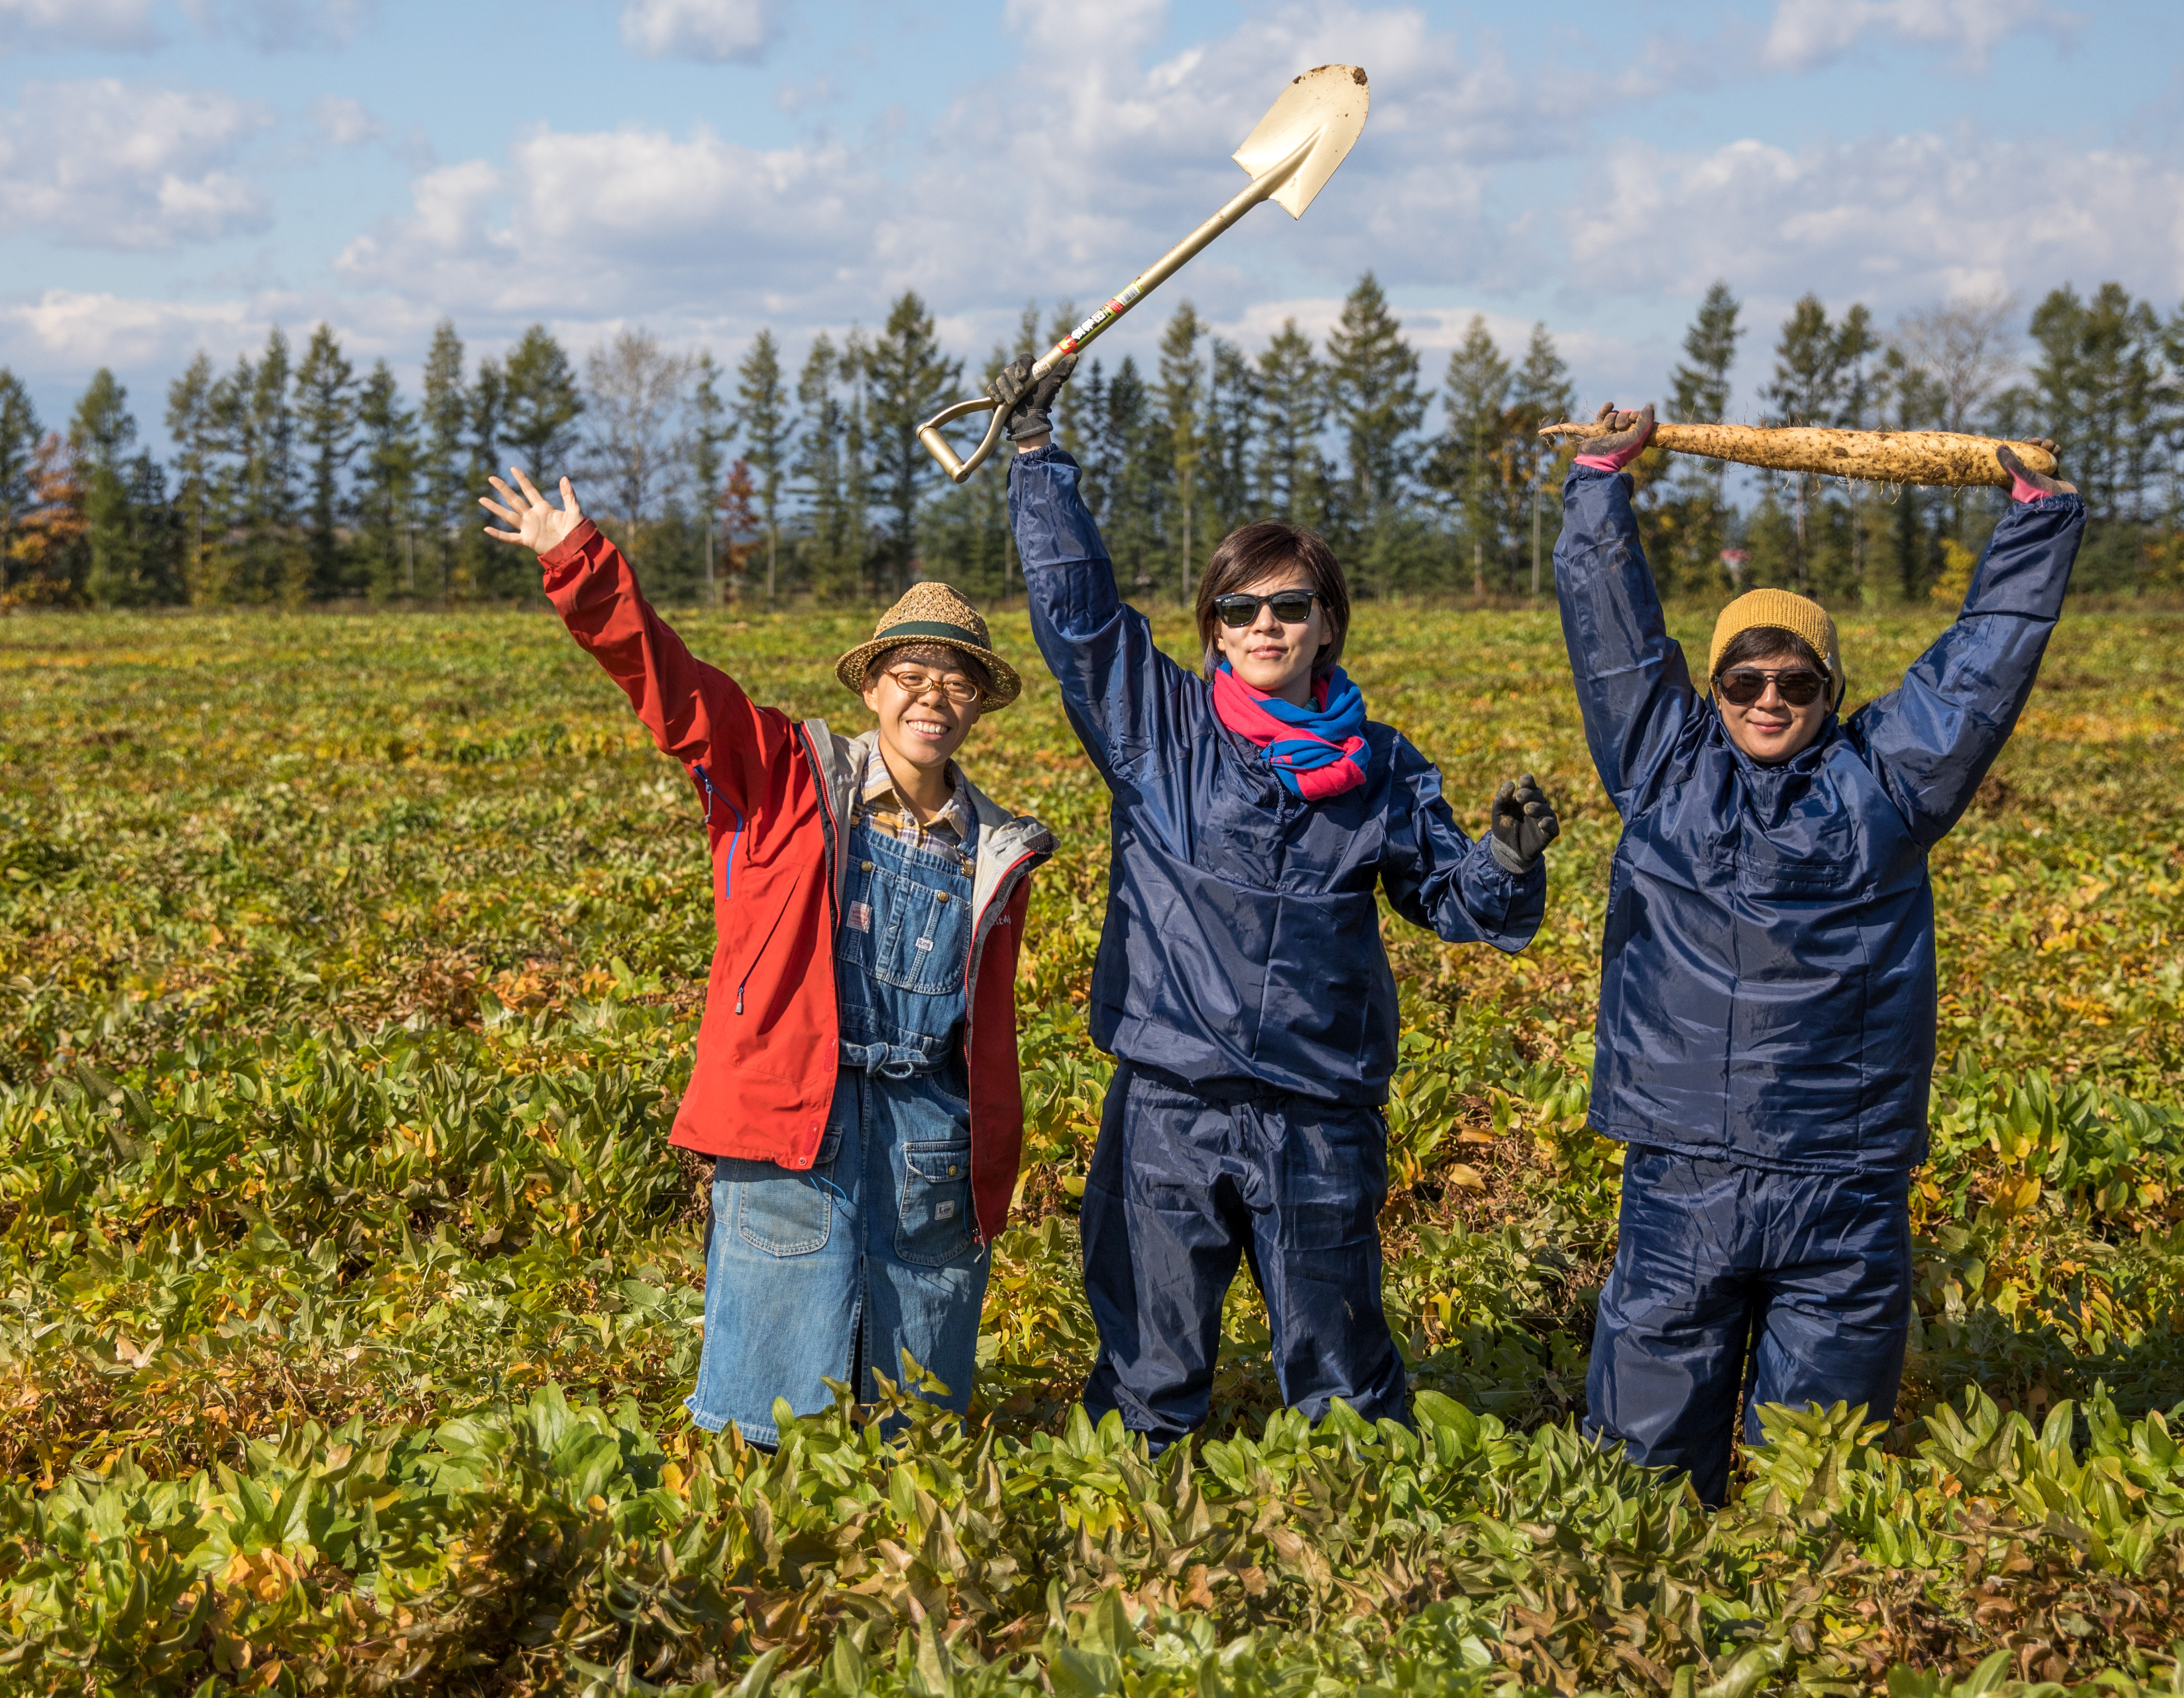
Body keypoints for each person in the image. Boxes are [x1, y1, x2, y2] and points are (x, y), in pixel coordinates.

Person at [991, 361, 1562, 1448]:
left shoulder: (1384, 765)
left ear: (1327, 623)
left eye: (1289, 605)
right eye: (1240, 607)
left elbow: (1447, 896)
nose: (1266, 624)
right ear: (1211, 626)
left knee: (1343, 1382)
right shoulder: (1160, 732)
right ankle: (1129, 1551)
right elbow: (1080, 619)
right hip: (1172, 1100)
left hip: (1319, 1111)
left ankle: (1358, 1575)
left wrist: (1506, 863)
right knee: (1151, 1374)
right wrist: (1036, 461)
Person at [1550, 402, 2082, 1505]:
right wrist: (1600, 478)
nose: (1770, 699)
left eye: (1796, 681)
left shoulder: (1891, 783)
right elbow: (1611, 633)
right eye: (1744, 682)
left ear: (1832, 692)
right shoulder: (1660, 768)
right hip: (1685, 1162)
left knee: (1818, 1482)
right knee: (1642, 1474)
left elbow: (1981, 668)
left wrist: (2037, 520)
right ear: (1713, 691)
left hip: (1842, 1176)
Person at [480, 467, 1054, 1445]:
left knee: (913, 1410)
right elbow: (673, 689)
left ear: (977, 705)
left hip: (929, 1132)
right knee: (765, 1409)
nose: (932, 694)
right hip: (799, 1110)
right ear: (872, 687)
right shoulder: (786, 773)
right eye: (909, 672)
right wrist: (578, 561)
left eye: (955, 677)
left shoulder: (997, 844)